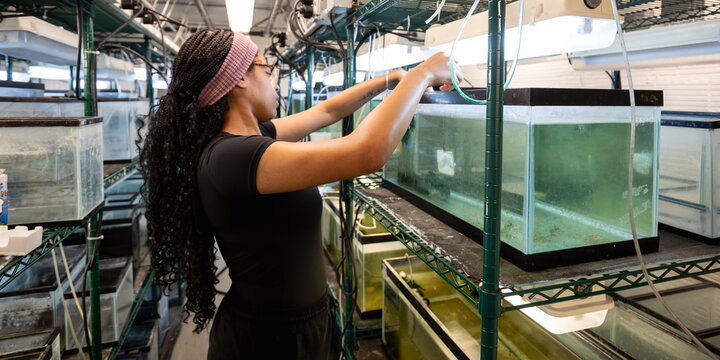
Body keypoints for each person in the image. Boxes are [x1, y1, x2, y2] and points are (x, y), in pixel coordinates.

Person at [140, 29, 463, 359]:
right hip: (269, 340)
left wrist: (391, 81)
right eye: (268, 70)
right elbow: (367, 152)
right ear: (238, 78)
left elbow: (326, 112)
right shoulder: (232, 157)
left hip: (303, 323)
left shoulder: (253, 137)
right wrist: (422, 75)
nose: (275, 81)